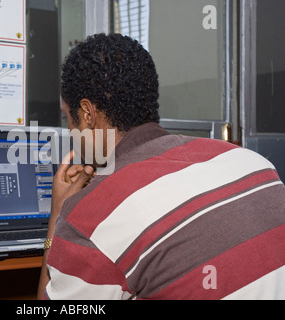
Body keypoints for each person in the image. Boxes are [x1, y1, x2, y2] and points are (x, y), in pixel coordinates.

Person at [37, 33, 285, 300]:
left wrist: (60, 214)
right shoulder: (254, 164)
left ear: (88, 114)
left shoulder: (94, 217)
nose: (72, 132)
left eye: (69, 120)